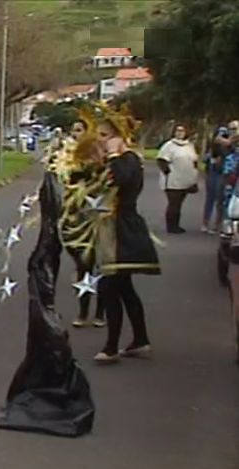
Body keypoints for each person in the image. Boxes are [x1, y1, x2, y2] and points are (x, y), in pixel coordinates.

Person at [92, 116, 160, 364]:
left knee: (111, 287)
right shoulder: (116, 161)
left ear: (119, 137)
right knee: (123, 288)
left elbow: (120, 180)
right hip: (111, 227)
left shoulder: (128, 160)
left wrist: (112, 155)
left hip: (123, 230)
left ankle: (111, 347)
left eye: (105, 136)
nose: (100, 141)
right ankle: (140, 341)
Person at [63, 118, 105, 328]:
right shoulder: (68, 157)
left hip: (98, 217)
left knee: (100, 265)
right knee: (83, 264)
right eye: (73, 130)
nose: (75, 134)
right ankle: (83, 311)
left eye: (79, 130)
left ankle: (100, 312)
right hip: (76, 217)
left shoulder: (100, 157)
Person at [156, 124, 199, 234]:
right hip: (172, 180)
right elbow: (161, 160)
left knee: (179, 204)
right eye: (178, 131)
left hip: (186, 181)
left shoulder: (189, 146)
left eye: (182, 131)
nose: (180, 133)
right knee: (173, 203)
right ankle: (171, 226)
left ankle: (176, 225)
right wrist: (168, 172)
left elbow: (194, 161)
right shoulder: (169, 146)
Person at [203, 127, 231, 234]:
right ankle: (205, 223)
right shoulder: (212, 147)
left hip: (223, 174)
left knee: (221, 201)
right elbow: (206, 159)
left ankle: (217, 224)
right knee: (210, 198)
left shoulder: (229, 147)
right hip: (212, 173)